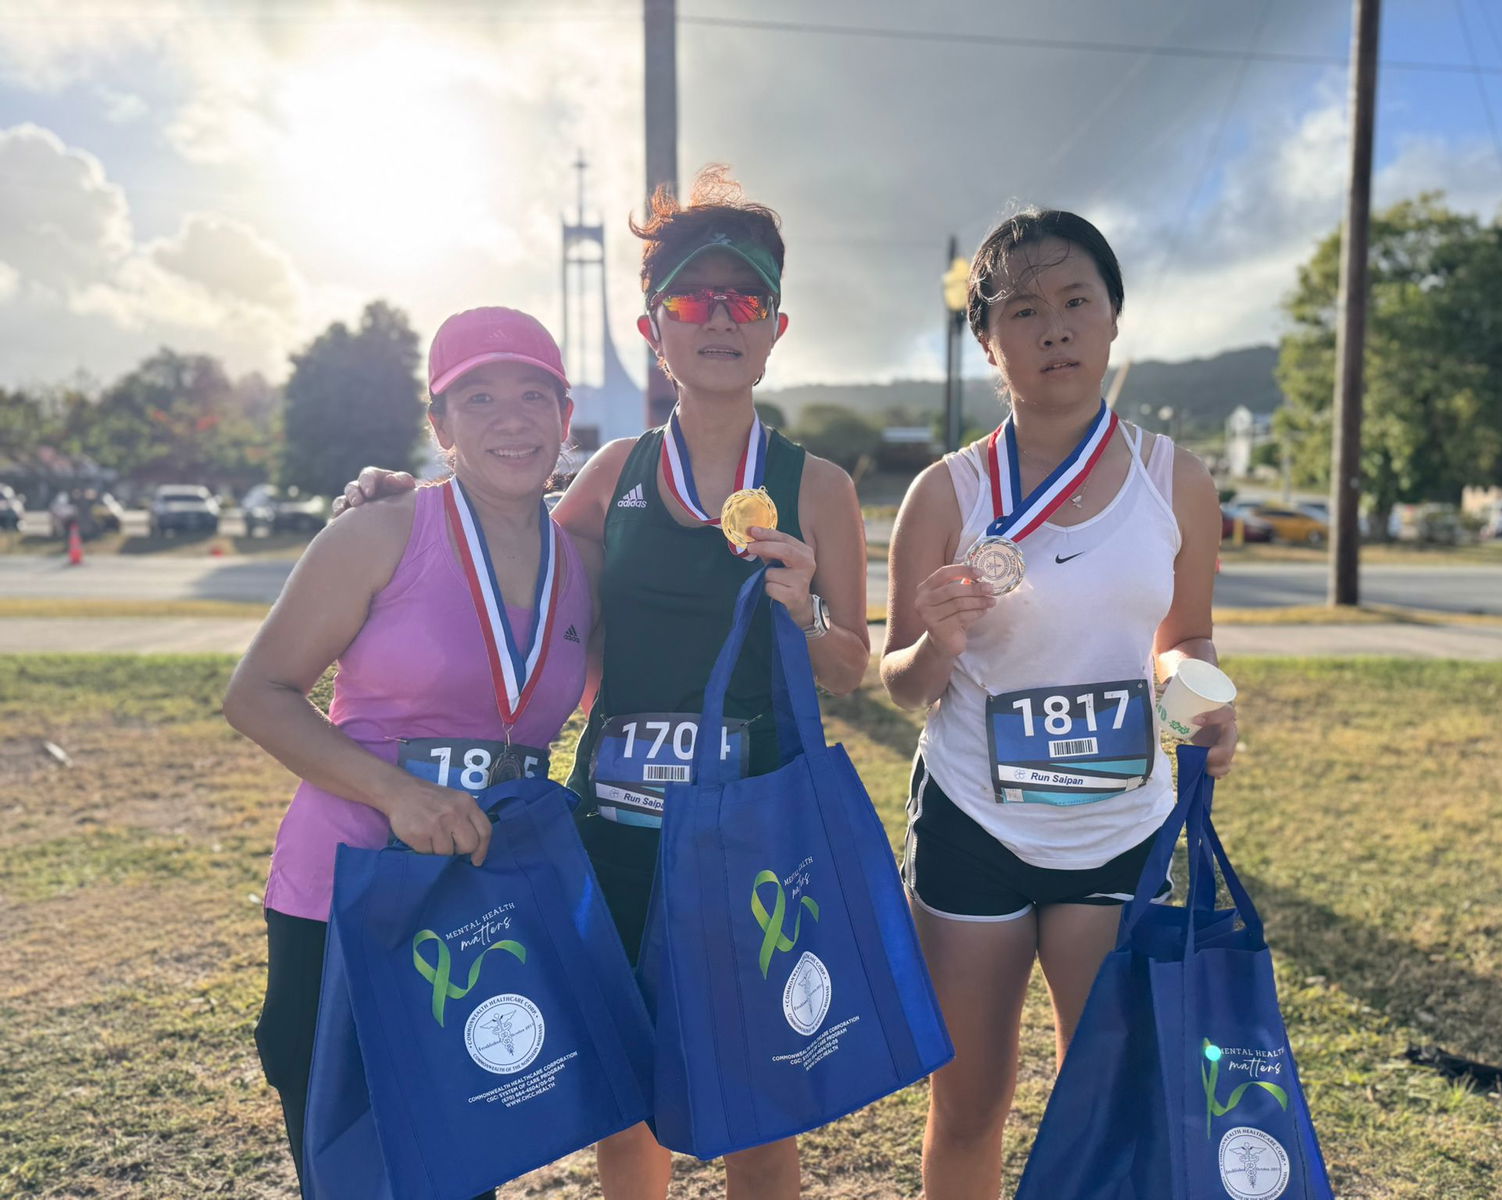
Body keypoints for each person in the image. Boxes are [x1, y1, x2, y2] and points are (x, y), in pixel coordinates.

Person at [334, 166, 870, 1200]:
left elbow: (853, 668)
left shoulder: (820, 486)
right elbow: (503, 542)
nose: (717, 318)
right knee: (627, 1100)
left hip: (753, 844)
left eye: (743, 298)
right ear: (650, 329)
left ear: (776, 324)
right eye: (689, 299)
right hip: (616, 836)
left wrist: (800, 615)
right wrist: (409, 501)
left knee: (763, 1110)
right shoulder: (615, 473)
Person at [880, 209, 1239, 1200]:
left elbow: (1186, 642)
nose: (1054, 328)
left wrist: (1205, 702)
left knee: (1115, 1091)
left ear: (1113, 319)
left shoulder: (1179, 481)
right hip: (974, 822)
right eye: (1023, 310)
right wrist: (936, 642)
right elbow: (901, 683)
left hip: (1119, 822)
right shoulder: (944, 494)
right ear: (988, 344)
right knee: (969, 1103)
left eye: (1077, 300)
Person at [223, 307, 595, 1197]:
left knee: (466, 1158)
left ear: (564, 413)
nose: (511, 419)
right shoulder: (382, 530)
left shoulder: (581, 562)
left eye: (532, 395)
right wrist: (399, 796)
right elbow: (257, 694)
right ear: (440, 426)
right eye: (479, 398)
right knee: (357, 1167)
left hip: (482, 896)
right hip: (348, 892)